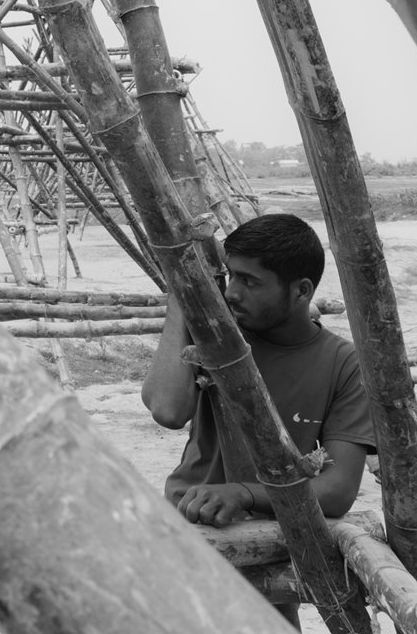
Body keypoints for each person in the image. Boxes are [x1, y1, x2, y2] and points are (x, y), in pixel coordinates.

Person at [142, 213, 375, 629]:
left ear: (301, 291)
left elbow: (337, 491)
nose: (231, 293)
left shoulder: (343, 364)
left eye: (250, 282)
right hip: (189, 525)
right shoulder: (218, 335)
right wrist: (183, 299)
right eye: (230, 275)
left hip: (268, 542)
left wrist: (245, 494)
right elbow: (167, 409)